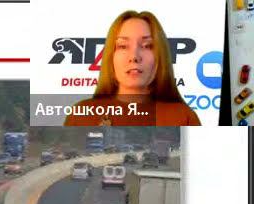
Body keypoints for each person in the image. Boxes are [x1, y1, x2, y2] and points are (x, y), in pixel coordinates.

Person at [65, 11, 201, 127]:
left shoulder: (183, 117)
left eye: (147, 46)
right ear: (111, 56)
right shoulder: (81, 115)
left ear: (160, 56)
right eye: (123, 46)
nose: (134, 57)